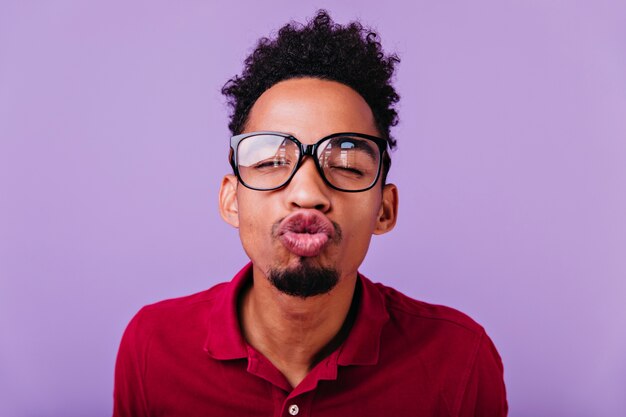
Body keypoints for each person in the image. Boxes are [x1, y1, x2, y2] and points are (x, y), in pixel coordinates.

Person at [113, 10, 508, 417]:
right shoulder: (152, 347)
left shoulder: (460, 361)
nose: (307, 193)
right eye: (270, 162)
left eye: (348, 165)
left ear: (384, 210)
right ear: (231, 199)